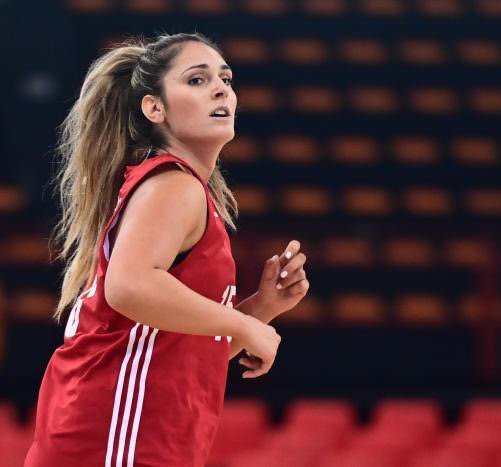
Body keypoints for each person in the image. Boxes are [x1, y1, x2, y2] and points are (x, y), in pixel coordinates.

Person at [24, 32, 309, 467]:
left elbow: (175, 349)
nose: (221, 89)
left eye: (226, 79)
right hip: (112, 436)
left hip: (126, 434)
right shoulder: (173, 185)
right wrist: (243, 324)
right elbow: (129, 286)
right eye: (197, 80)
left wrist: (260, 309)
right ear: (154, 108)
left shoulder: (180, 189)